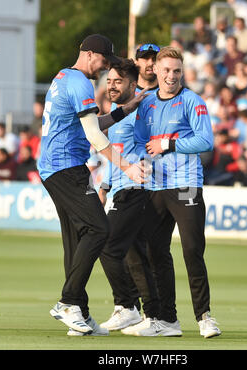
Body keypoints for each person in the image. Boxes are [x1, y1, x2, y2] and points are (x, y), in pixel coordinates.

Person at [37, 34, 148, 336]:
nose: (104, 69)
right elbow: (94, 137)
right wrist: (126, 166)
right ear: (88, 54)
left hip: (54, 166)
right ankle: (68, 303)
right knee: (99, 229)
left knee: (76, 238)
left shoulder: (63, 77)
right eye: (103, 61)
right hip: (65, 166)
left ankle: (81, 316)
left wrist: (125, 109)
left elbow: (92, 123)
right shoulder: (80, 83)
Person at [132, 46, 221, 338]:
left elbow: (205, 140)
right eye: (167, 70)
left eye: (177, 71)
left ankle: (204, 316)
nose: (171, 76)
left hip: (185, 185)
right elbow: (140, 141)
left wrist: (169, 145)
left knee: (193, 249)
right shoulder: (145, 103)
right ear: (155, 70)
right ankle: (167, 320)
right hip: (155, 186)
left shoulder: (192, 101)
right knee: (155, 251)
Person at [98, 58, 160, 334]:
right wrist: (104, 186)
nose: (111, 86)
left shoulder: (140, 110)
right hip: (121, 187)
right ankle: (155, 315)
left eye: (117, 82)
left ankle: (127, 306)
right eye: (109, 81)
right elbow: (115, 154)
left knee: (107, 246)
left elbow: (151, 143)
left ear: (132, 85)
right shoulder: (115, 111)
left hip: (138, 189)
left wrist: (147, 169)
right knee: (135, 255)